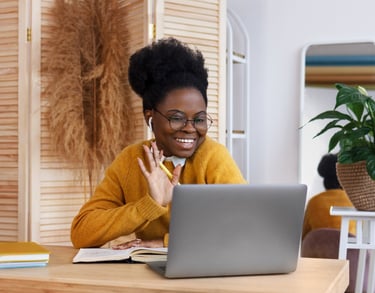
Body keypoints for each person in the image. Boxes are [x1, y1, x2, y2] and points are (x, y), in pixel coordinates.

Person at [70, 37, 246, 249]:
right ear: (150, 117)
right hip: (148, 276)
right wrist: (149, 205)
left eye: (199, 119)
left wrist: (164, 244)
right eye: (177, 117)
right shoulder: (132, 160)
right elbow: (82, 233)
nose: (190, 128)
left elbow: (243, 227)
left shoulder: (213, 156)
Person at [302, 153, 355, 240]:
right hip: (349, 252)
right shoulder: (353, 202)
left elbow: (305, 237)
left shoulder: (314, 202)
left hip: (316, 252)